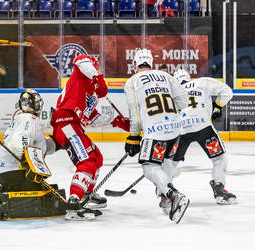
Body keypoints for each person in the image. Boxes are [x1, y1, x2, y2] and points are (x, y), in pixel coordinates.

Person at [50, 54, 129, 221]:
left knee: (96, 158)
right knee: (86, 161)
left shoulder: (90, 93)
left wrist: (116, 122)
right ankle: (73, 203)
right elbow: (81, 60)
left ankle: (87, 194)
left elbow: (92, 117)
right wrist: (97, 78)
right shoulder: (80, 74)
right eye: (96, 68)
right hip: (65, 122)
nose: (97, 70)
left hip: (74, 125)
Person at [123, 48, 190, 224]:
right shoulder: (166, 76)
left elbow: (135, 115)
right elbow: (184, 100)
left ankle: (173, 195)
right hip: (175, 130)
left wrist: (133, 137)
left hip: (155, 131)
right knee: (166, 163)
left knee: (149, 167)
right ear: (151, 63)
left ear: (134, 64)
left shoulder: (132, 81)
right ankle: (165, 201)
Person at [0, 89, 61, 220]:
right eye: (37, 103)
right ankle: (0, 207)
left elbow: (40, 145)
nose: (39, 105)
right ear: (33, 105)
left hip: (4, 171)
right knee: (37, 192)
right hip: (13, 171)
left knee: (36, 185)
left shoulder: (21, 118)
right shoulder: (30, 119)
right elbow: (19, 143)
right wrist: (26, 159)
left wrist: (57, 144)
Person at [168, 69, 237, 205]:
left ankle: (165, 192)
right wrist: (217, 106)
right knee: (219, 158)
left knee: (171, 163)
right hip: (202, 127)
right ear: (189, 77)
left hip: (180, 129)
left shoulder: (172, 94)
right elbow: (227, 91)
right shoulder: (202, 82)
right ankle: (219, 189)